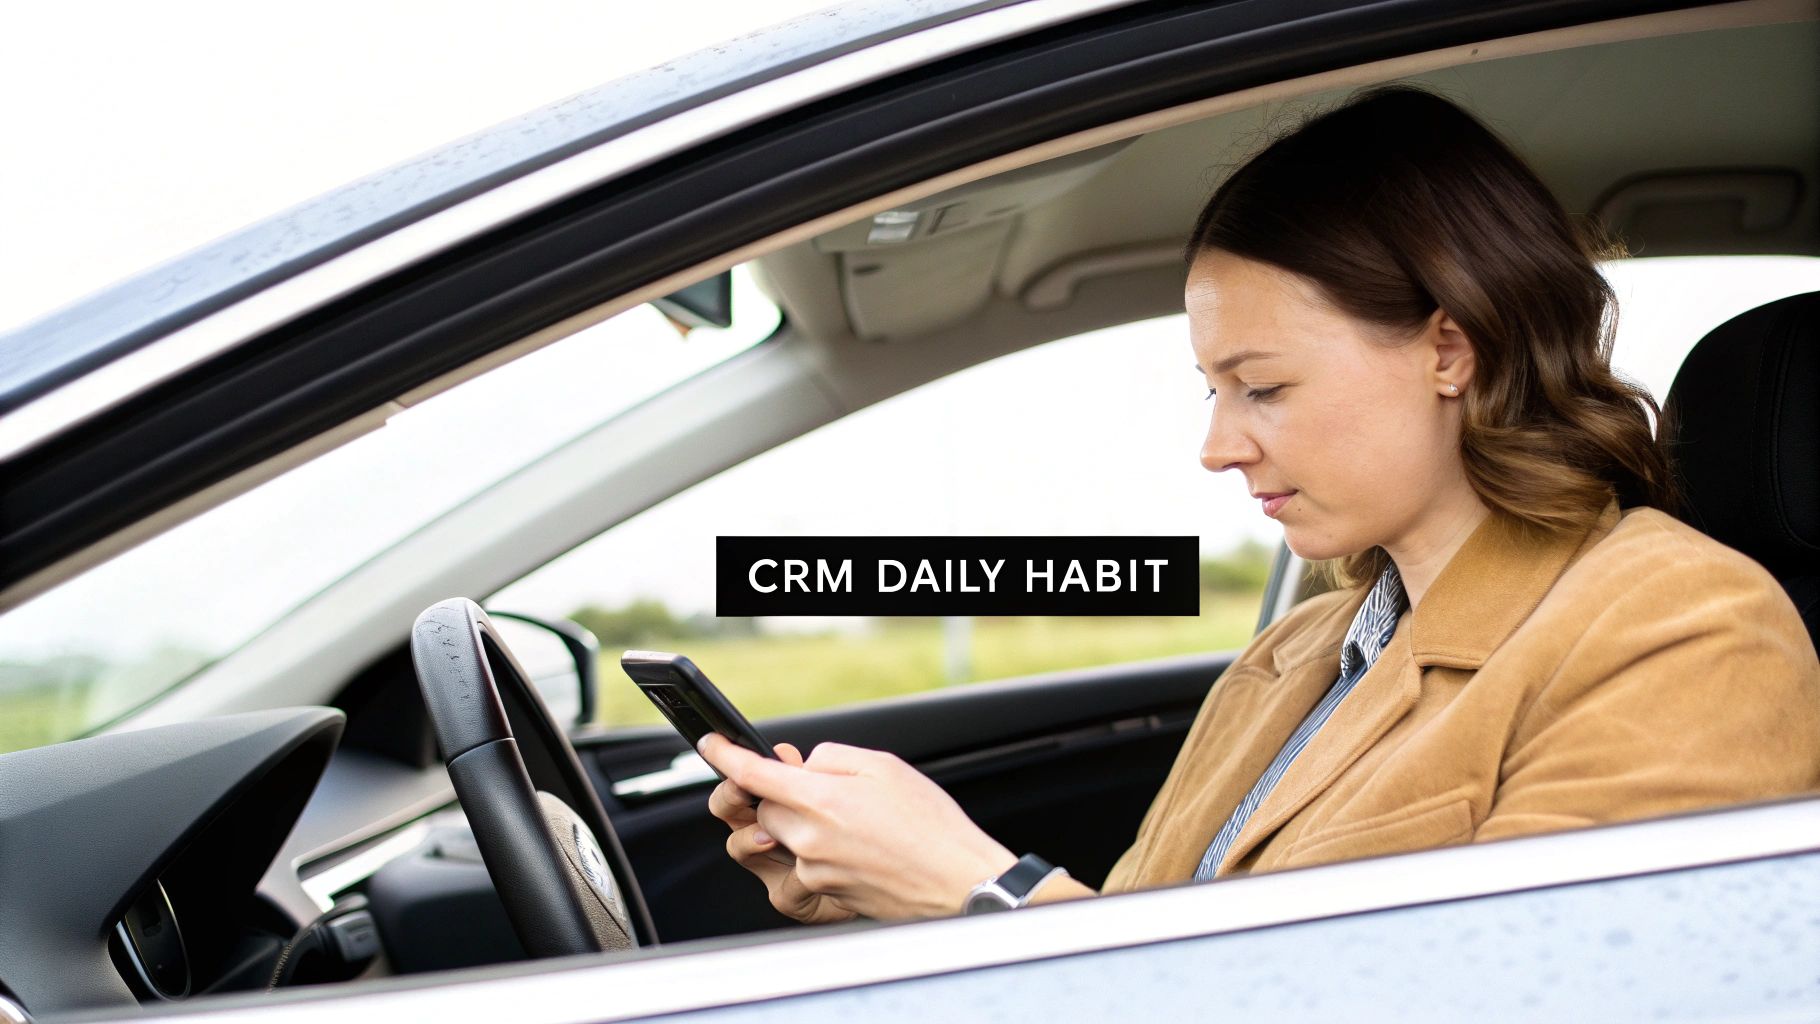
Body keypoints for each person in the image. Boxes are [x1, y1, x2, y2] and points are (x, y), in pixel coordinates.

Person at [696, 85, 1820, 922]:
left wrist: (978, 893)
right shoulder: (1296, 654)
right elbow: (1141, 939)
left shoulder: (1685, 631)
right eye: (1213, 389)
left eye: (1264, 387)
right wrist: (887, 895)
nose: (1215, 446)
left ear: (1449, 346)